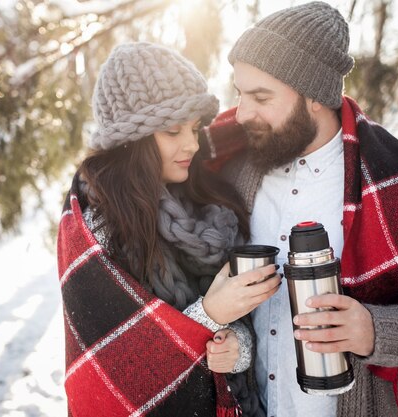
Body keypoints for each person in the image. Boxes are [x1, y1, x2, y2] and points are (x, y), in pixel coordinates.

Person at [201, 2, 398, 417]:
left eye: (261, 96)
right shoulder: (229, 169)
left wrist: (373, 330)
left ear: (314, 99)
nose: (242, 112)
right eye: (240, 93)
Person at [56, 42, 281, 417]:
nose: (192, 144)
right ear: (131, 141)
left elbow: (242, 328)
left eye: (194, 129)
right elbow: (118, 370)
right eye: (173, 130)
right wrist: (210, 313)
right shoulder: (101, 227)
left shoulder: (207, 201)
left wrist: (236, 348)